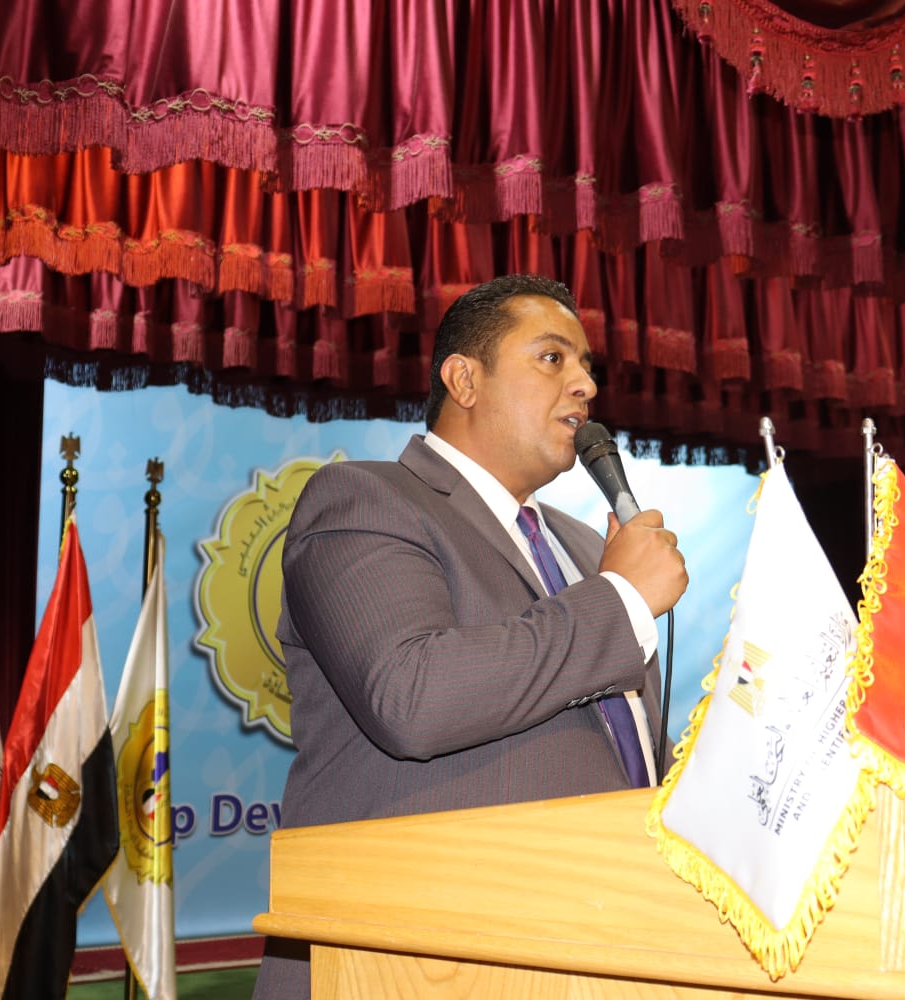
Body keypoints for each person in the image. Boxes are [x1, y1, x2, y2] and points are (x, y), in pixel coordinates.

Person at [253, 274, 688, 998]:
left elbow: (622, 748)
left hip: (605, 945)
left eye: (587, 366)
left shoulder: (589, 549)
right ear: (464, 380)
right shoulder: (364, 500)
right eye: (552, 358)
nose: (585, 384)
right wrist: (620, 600)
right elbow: (412, 696)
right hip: (410, 961)